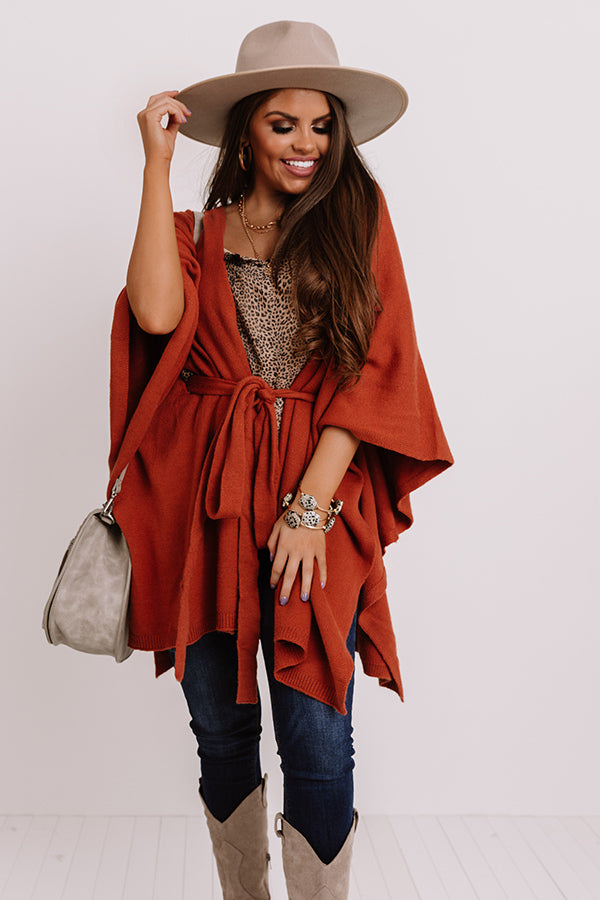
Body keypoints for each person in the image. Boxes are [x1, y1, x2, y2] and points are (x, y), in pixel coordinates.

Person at [108, 20, 453, 900]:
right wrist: (156, 166)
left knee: (316, 734)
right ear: (245, 132)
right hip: (210, 506)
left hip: (316, 503)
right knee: (220, 730)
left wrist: (309, 511)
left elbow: (376, 369)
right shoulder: (200, 231)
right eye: (283, 124)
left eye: (322, 125)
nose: (307, 144)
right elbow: (154, 316)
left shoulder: (358, 222)